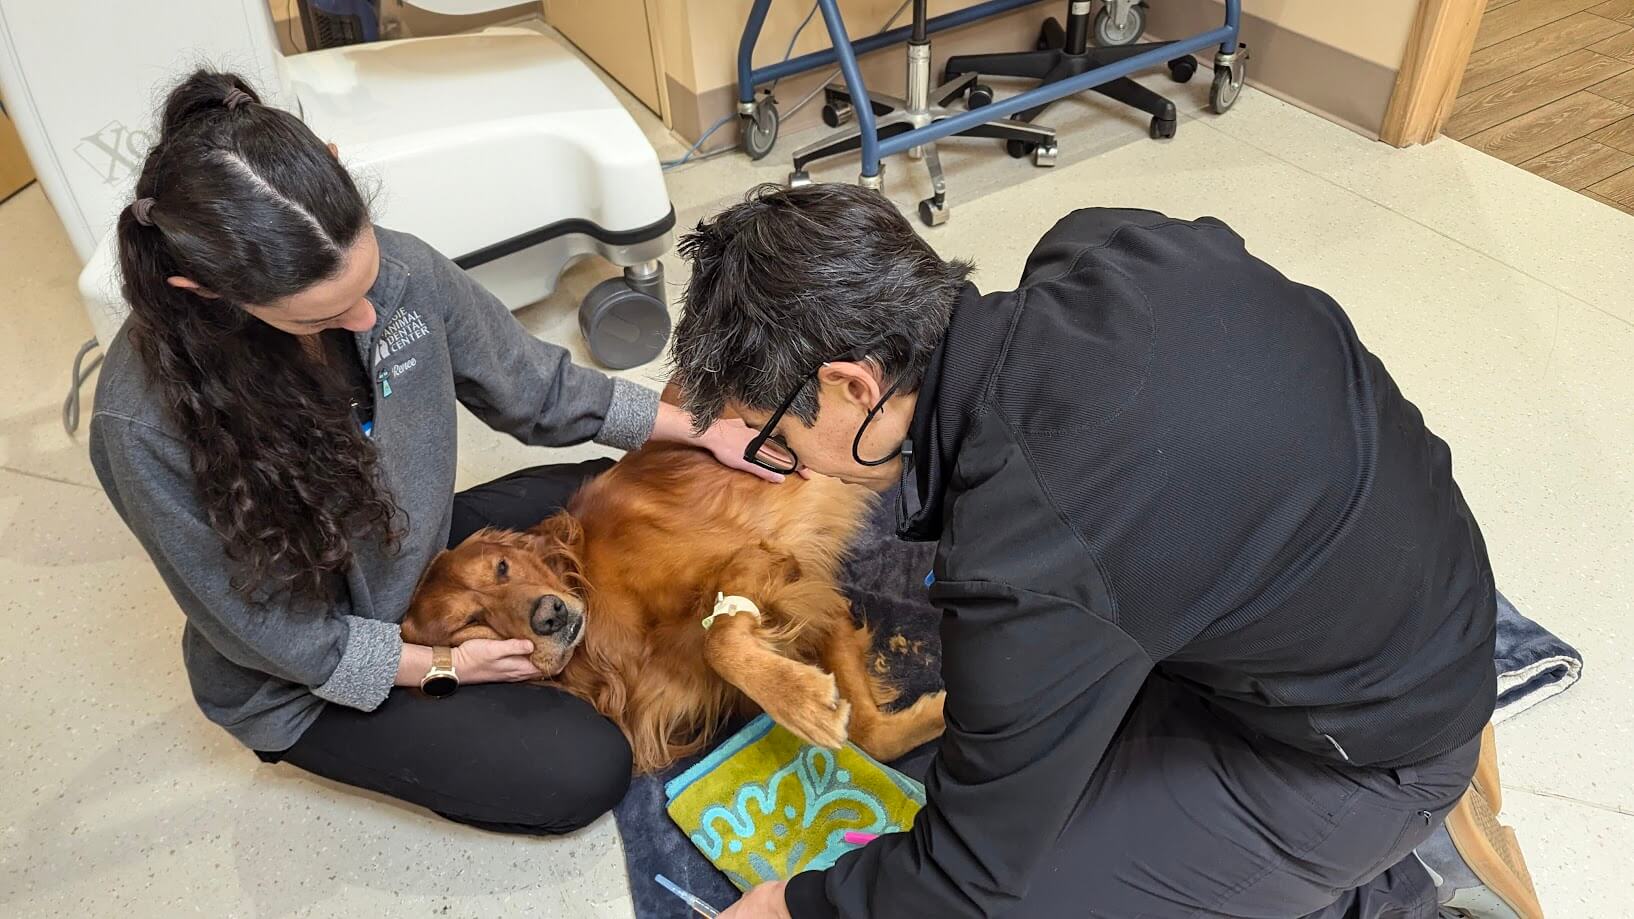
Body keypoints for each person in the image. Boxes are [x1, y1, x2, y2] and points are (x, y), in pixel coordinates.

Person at [668, 185, 1545, 919]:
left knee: (1010, 895)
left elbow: (965, 878)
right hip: (1414, 603)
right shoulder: (1105, 241)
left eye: (773, 437)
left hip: (1373, 748)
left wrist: (798, 904)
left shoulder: (1024, 553)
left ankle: (1382, 888)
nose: (778, 464)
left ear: (852, 387)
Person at [89, 70, 780, 835]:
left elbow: (533, 386)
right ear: (205, 289)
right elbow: (281, 638)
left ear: (333, 156)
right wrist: (447, 665)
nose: (368, 316)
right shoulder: (142, 424)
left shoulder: (403, 269)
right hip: (307, 671)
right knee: (584, 768)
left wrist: (699, 427)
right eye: (323, 313)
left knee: (607, 485)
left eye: (366, 278)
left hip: (405, 545)